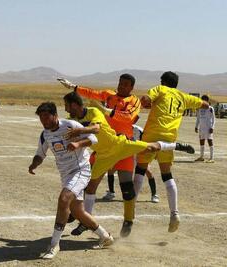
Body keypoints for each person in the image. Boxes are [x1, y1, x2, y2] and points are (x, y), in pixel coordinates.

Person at [61, 92, 194, 237]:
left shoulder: (93, 111)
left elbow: (96, 128)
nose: (66, 108)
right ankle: (85, 222)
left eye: (67, 105)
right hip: (103, 155)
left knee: (151, 148)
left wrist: (79, 131)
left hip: (120, 145)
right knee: (90, 187)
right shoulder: (72, 120)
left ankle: (178, 146)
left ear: (74, 104)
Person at [59, 74, 143, 237]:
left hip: (123, 144)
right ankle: (84, 220)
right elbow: (91, 93)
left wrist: (108, 111)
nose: (121, 87)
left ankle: (128, 220)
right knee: (88, 183)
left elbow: (129, 117)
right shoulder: (108, 94)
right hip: (104, 146)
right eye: (120, 83)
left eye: (125, 85)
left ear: (131, 87)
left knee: (126, 186)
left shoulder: (134, 101)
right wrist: (73, 87)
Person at [28, 102, 114, 259]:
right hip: (66, 174)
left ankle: (54, 245)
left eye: (46, 116)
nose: (44, 120)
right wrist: (34, 164)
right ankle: (105, 236)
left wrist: (78, 143)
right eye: (41, 118)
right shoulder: (45, 134)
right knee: (77, 211)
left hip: (81, 169)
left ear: (55, 115)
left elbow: (94, 139)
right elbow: (40, 154)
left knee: (64, 199)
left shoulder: (70, 125)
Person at [134, 71, 209, 233]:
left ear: (163, 81)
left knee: (140, 169)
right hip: (169, 138)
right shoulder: (183, 96)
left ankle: (130, 211)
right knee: (167, 174)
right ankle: (174, 213)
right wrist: (206, 105)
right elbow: (203, 104)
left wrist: (145, 103)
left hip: (152, 135)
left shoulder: (160, 89)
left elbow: (146, 100)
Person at [195, 95, 215, 163]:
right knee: (201, 141)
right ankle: (201, 157)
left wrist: (212, 127)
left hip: (208, 127)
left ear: (206, 100)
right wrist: (196, 126)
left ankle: (211, 158)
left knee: (210, 141)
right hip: (201, 128)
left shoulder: (210, 108)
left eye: (203, 100)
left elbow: (213, 119)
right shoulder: (199, 108)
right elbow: (198, 118)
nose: (202, 101)